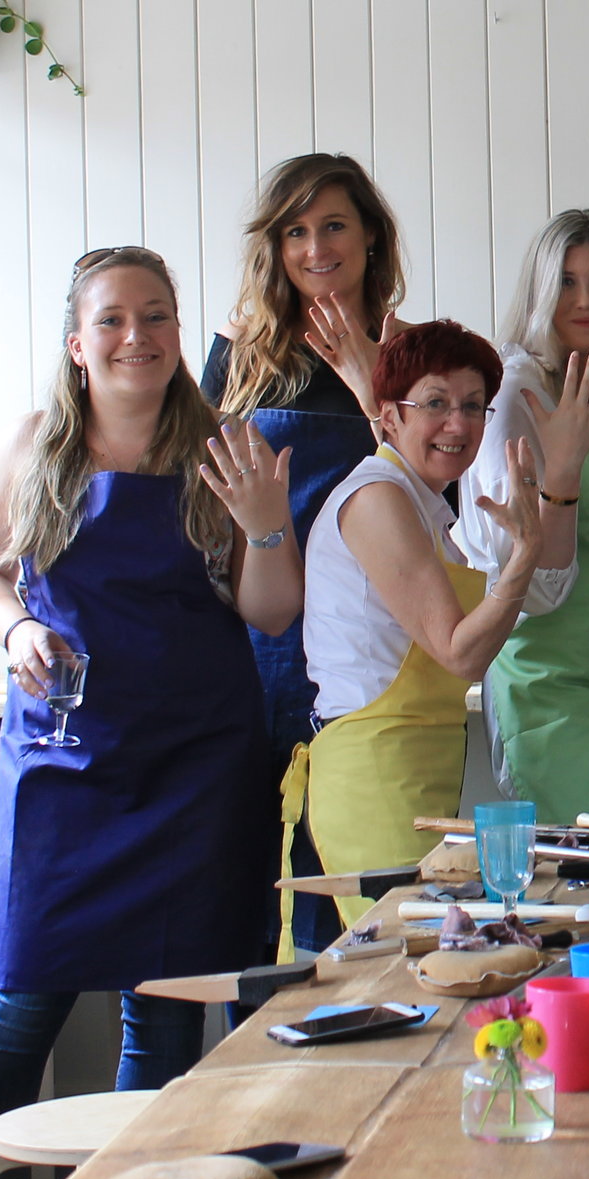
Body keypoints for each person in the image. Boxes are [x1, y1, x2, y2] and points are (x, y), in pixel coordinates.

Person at [0, 248, 300, 1170]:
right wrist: (17, 627)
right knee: (15, 1005)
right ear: (76, 343)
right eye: (111, 318)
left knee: (166, 1013)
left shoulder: (227, 443)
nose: (135, 335)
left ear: (180, 333)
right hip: (64, 763)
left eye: (155, 316)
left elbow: (268, 609)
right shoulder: (34, 446)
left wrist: (267, 520)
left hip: (195, 764)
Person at [292, 321, 563, 929]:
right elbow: (461, 652)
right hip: (372, 774)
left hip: (415, 769)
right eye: (435, 403)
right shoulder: (378, 497)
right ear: (388, 417)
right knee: (401, 964)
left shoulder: (427, 505)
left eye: (473, 406)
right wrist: (524, 556)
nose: (458, 424)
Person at [202, 154, 405, 952]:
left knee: (348, 875)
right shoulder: (238, 354)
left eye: (333, 225)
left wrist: (370, 386)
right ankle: (247, 1068)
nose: (315, 247)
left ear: (369, 238)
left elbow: (439, 498)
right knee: (245, 875)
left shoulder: (408, 349)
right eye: (295, 229)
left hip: (366, 644)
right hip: (258, 642)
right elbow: (206, 502)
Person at [459, 211, 589, 823]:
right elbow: (515, 573)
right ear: (538, 291)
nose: (586, 299)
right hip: (554, 690)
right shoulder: (514, 392)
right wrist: (564, 474)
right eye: (566, 282)